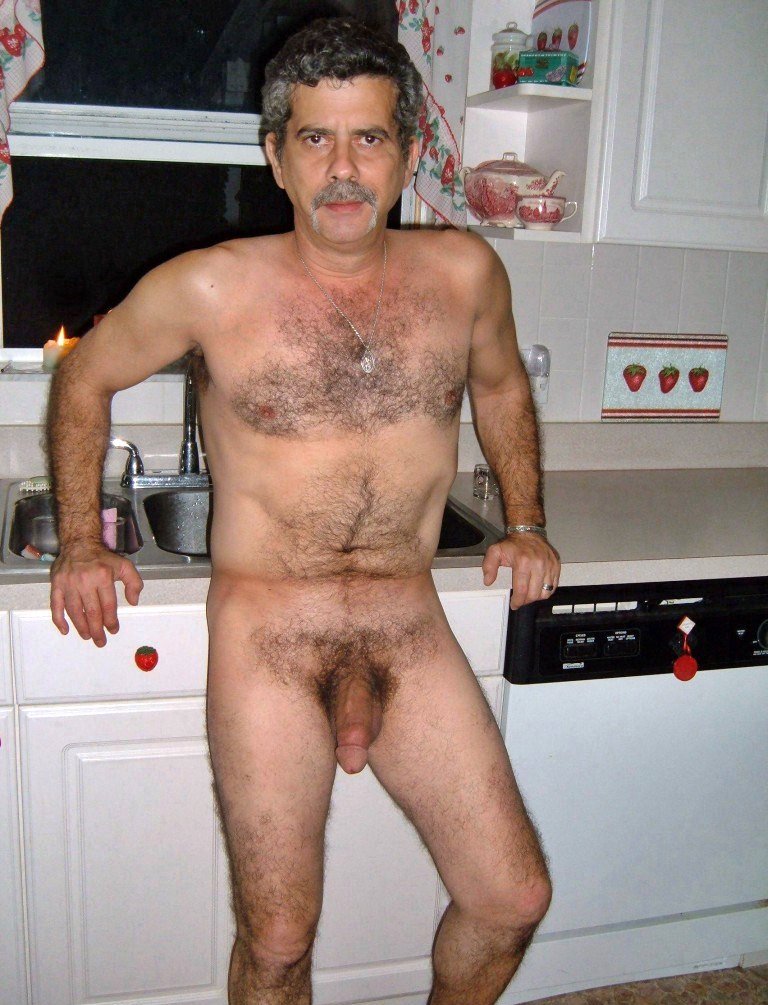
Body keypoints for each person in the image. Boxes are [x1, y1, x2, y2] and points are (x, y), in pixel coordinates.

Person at [46, 17, 560, 1005]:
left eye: (369, 138)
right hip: (269, 636)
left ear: (408, 154)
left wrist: (527, 520)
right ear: (276, 156)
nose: (343, 169)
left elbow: (500, 388)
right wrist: (80, 539)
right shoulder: (209, 286)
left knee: (511, 896)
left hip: (407, 624)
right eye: (316, 139)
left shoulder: (465, 275)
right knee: (279, 938)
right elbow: (84, 381)